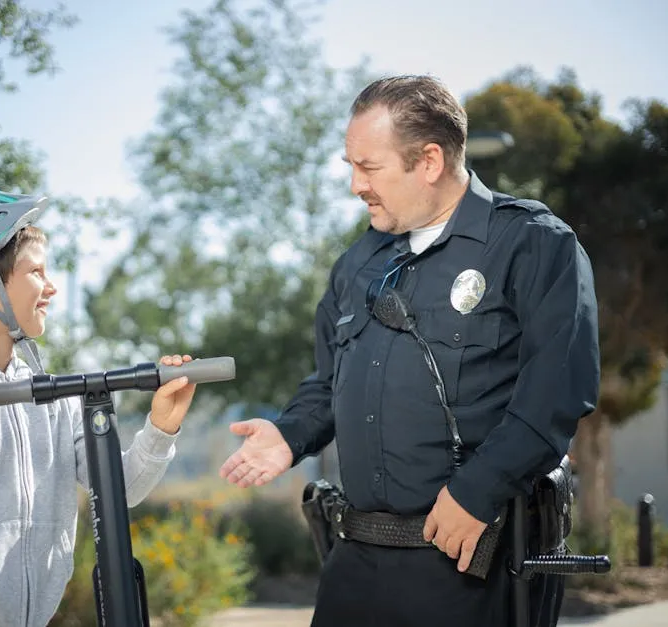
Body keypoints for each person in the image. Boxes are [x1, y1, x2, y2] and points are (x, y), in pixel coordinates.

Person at [219, 75, 599, 627]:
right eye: (350, 165)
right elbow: (328, 381)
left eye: (368, 168)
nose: (354, 185)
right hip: (355, 565)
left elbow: (556, 396)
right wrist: (289, 433)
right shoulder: (358, 263)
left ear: (428, 161)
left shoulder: (534, 243)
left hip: (469, 556)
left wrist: (478, 492)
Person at [0, 189, 197, 627]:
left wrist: (161, 427)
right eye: (37, 272)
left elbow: (120, 492)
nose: (52, 287)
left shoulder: (52, 397)